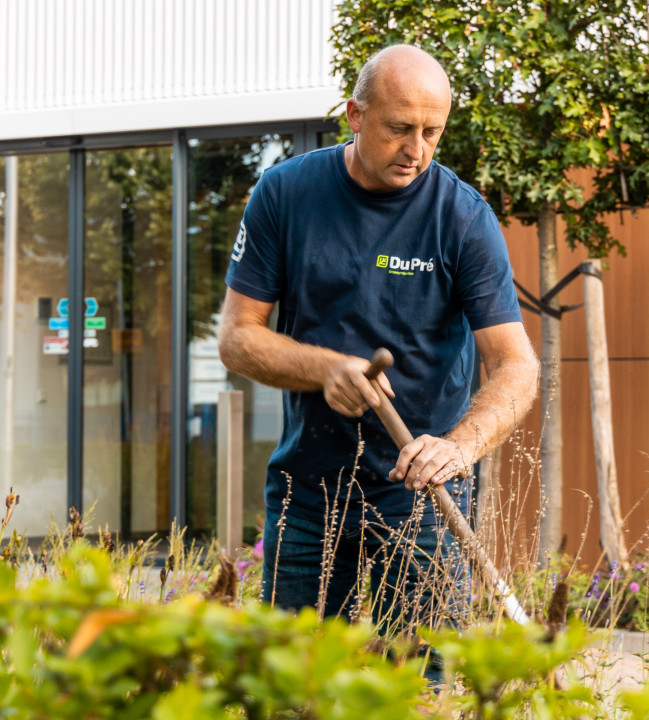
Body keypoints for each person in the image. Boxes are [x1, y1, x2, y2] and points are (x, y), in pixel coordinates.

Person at [216, 44, 539, 671]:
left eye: (432, 132)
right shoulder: (285, 195)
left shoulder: (463, 217)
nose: (416, 150)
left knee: (416, 688)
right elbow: (237, 336)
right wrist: (324, 369)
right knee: (295, 687)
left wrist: (460, 447)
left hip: (423, 497)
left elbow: (516, 364)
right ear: (355, 116)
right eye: (399, 129)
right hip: (310, 492)